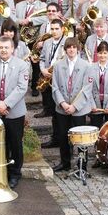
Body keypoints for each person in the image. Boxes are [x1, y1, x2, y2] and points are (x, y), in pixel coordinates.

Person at [0, 36, 29, 189]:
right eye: (1, 47)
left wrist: (6, 104)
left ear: (12, 49)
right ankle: (1, 172)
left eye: (6, 47)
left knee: (15, 144)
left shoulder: (22, 65)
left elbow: (22, 88)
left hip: (14, 111)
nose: (3, 50)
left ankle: (15, 174)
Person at [51, 37, 93, 172]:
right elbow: (55, 87)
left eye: (74, 47)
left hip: (78, 109)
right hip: (62, 108)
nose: (71, 49)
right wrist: (62, 103)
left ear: (78, 49)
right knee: (63, 136)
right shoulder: (58, 65)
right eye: (69, 47)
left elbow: (87, 88)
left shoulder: (86, 65)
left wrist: (74, 106)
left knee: (81, 138)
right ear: (65, 49)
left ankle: (82, 164)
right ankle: (65, 162)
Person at [12, 0, 47, 96]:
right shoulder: (19, 5)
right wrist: (20, 21)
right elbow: (12, 17)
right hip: (20, 39)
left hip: (34, 39)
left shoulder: (43, 5)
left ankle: (34, 87)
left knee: (35, 63)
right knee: (18, 62)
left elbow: (46, 17)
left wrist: (31, 20)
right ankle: (19, 86)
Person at [38, 19, 67, 149]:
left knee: (60, 113)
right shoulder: (48, 42)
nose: (54, 31)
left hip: (61, 81)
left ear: (62, 29)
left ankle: (63, 139)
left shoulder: (67, 42)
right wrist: (43, 69)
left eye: (57, 29)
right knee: (53, 112)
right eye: (52, 29)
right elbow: (42, 58)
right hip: (48, 79)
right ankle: (55, 138)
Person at [88, 41, 108, 128]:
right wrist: (92, 104)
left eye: (105, 53)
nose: (102, 55)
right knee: (95, 130)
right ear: (97, 54)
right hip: (96, 105)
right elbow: (88, 88)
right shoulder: (90, 68)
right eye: (100, 53)